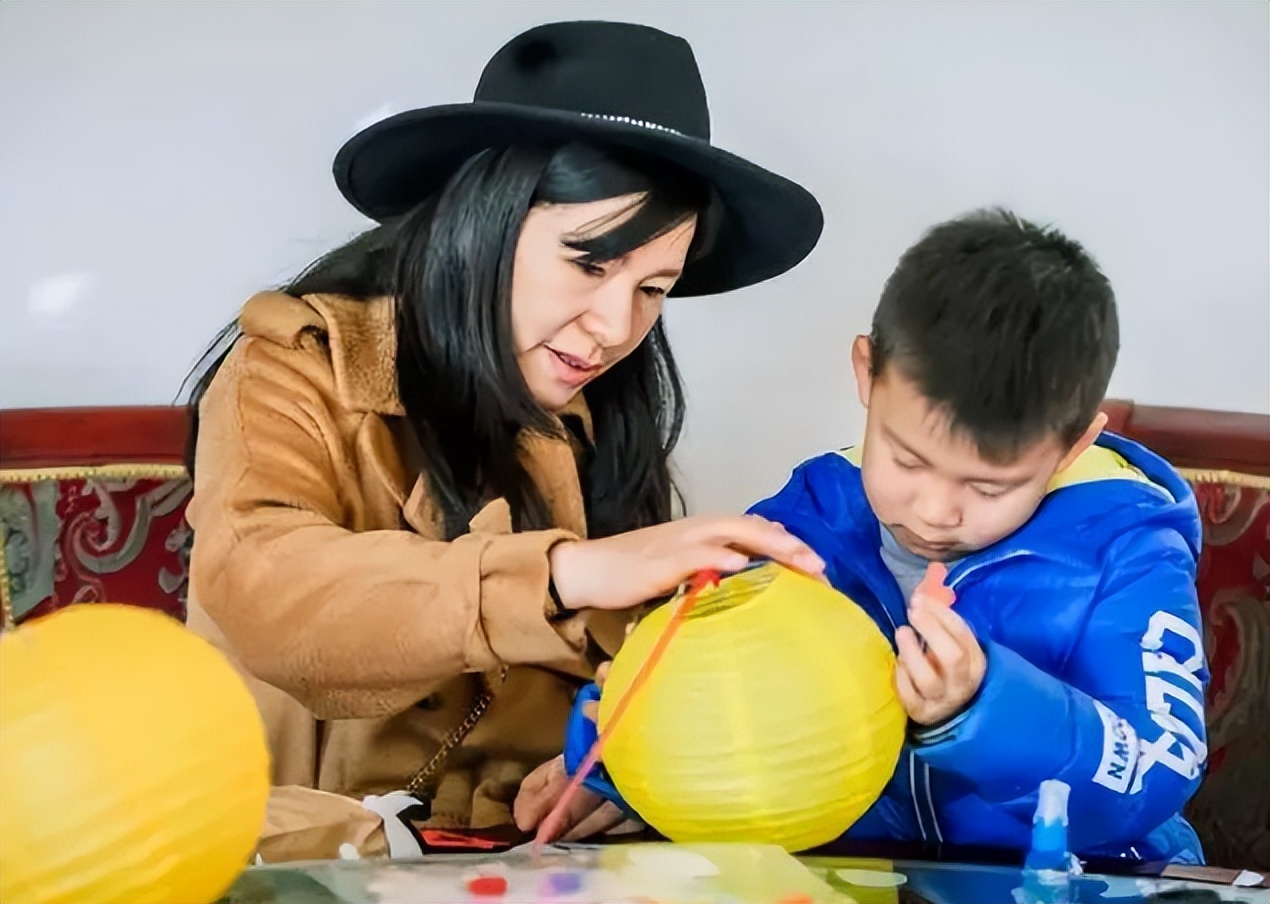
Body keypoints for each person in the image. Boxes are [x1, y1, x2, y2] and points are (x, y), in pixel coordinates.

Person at [181, 19, 827, 847]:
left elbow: (623, 690)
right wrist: (564, 573)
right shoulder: (297, 365)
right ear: (479, 221)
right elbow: (266, 584)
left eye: (654, 288)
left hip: (531, 865)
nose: (615, 326)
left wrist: (618, 772)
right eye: (590, 265)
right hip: (303, 855)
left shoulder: (602, 424)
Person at [550, 209, 1208, 864]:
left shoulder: (1127, 547)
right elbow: (727, 704)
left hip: (1074, 879)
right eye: (908, 461)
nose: (935, 511)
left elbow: (1156, 773)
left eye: (988, 488)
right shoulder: (809, 514)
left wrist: (984, 709)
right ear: (866, 372)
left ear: (1073, 446)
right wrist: (611, 757)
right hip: (861, 873)